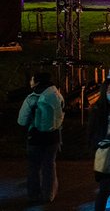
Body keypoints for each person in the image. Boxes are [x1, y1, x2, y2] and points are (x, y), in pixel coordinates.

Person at [18, 71, 64, 204]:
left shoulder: (32, 98)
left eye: (32, 79)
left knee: (34, 167)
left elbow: (21, 121)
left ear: (37, 81)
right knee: (50, 165)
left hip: (35, 137)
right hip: (53, 137)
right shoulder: (57, 95)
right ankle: (49, 195)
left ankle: (33, 195)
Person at [90, 78, 110, 211]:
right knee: (105, 189)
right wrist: (99, 145)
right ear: (104, 91)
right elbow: (92, 133)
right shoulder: (98, 110)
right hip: (105, 153)